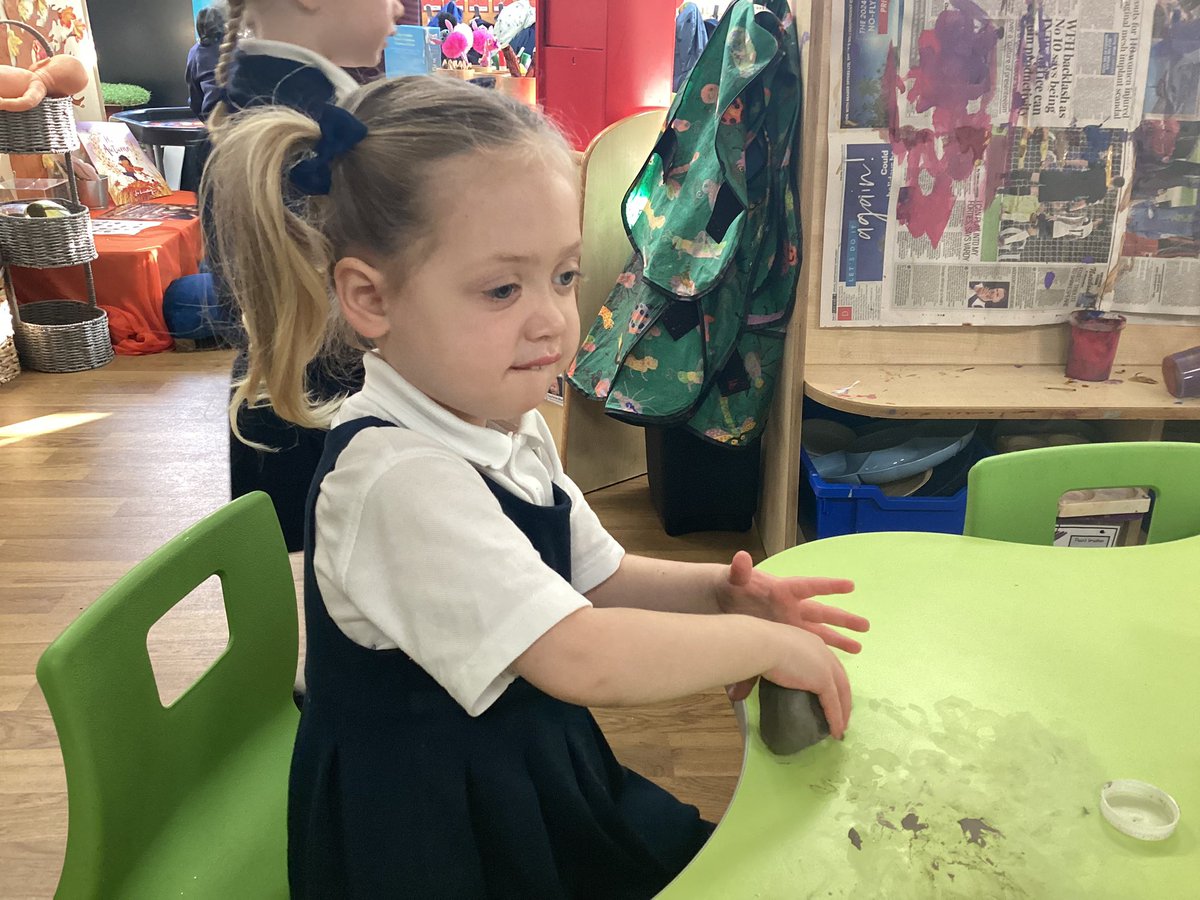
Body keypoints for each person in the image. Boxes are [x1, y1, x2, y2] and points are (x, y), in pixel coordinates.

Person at [203, 76, 869, 896]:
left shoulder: (500, 418)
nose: (553, 318)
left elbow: (598, 576)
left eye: (563, 276)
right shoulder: (399, 483)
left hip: (519, 766)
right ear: (371, 299)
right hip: (432, 830)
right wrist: (765, 647)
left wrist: (720, 597)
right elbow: (581, 656)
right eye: (502, 289)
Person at [206, 0, 406, 551]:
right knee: (346, 552)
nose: (398, 7)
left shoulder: (262, 98)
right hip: (322, 392)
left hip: (286, 381)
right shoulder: (304, 124)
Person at [186, 4, 226, 121]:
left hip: (213, 117)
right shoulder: (239, 47)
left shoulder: (195, 52)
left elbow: (195, 100)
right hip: (247, 118)